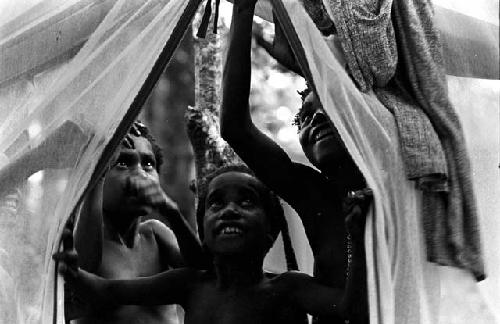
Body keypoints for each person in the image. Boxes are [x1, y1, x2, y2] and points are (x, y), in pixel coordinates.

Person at [55, 164, 368, 324]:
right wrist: (73, 271)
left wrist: (357, 240)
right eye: (216, 204)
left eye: (247, 202)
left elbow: (349, 307)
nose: (230, 209)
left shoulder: (289, 288)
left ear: (271, 233)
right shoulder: (190, 285)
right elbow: (107, 290)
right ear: (202, 232)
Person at [219, 0, 370, 323]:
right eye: (304, 117)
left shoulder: (405, 179)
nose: (314, 121)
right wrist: (243, 10)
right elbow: (235, 128)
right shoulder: (315, 195)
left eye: (328, 108)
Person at [67, 121, 205, 324]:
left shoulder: (155, 235)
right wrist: (96, 173)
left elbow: (204, 273)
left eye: (148, 164)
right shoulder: (84, 241)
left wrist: (172, 211)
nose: (140, 173)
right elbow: (81, 275)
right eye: (122, 163)